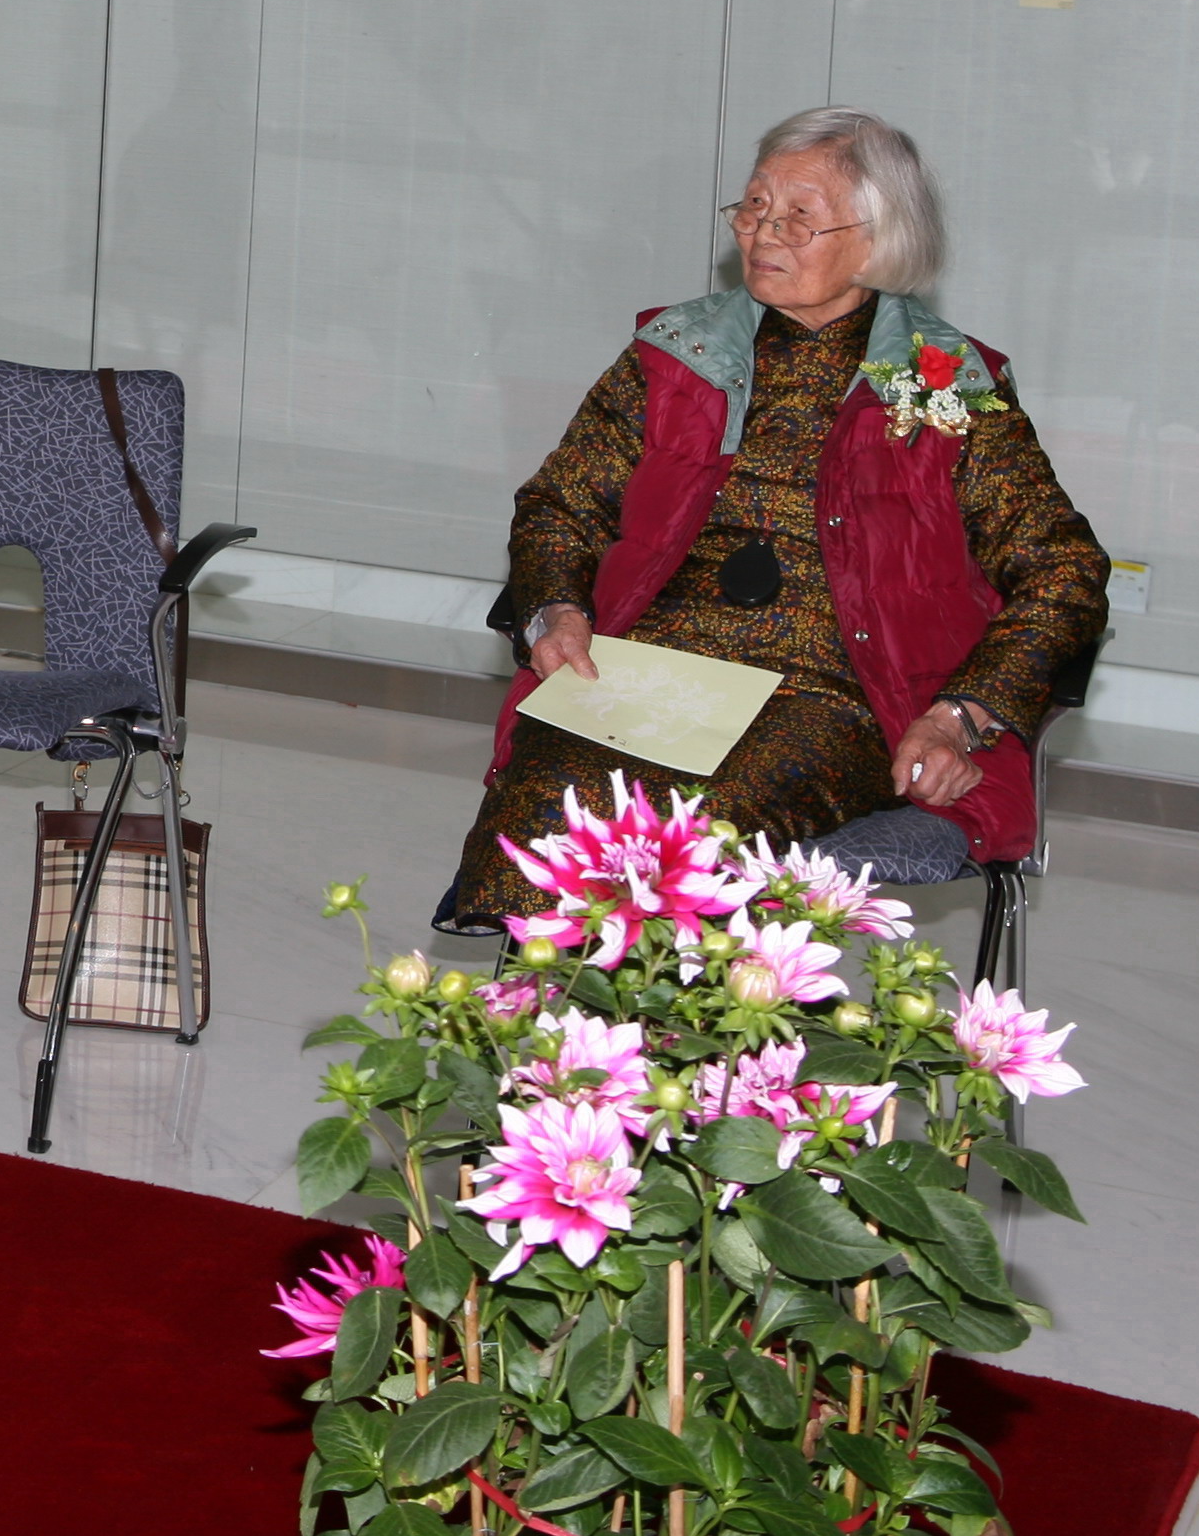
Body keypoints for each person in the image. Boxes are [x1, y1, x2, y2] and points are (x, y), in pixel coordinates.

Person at [437, 108, 1109, 933]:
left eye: (799, 215)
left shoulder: (944, 385)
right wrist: (557, 608)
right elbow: (560, 503)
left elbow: (1064, 572)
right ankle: (566, 1055)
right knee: (553, 813)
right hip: (650, 670)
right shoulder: (678, 352)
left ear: (878, 239)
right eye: (753, 207)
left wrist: (960, 715)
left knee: (693, 842)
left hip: (832, 692)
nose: (764, 232)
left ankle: (689, 1052)